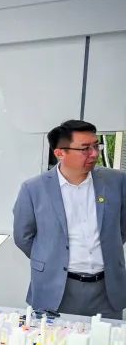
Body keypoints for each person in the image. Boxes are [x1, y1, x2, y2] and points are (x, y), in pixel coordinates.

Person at [14, 120, 126, 318]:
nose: (94, 153)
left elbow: (122, 228)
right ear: (60, 153)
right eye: (85, 148)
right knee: (53, 338)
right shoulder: (34, 189)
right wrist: (52, 258)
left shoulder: (116, 181)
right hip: (57, 288)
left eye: (96, 146)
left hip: (107, 290)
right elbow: (23, 237)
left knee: (106, 338)